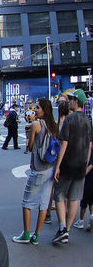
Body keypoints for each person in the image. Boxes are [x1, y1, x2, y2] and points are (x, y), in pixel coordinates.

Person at [12, 99, 58, 244]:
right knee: (44, 204)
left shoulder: (36, 124)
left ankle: (26, 233)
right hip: (50, 168)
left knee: (27, 202)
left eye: (37, 108)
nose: (35, 110)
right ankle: (36, 235)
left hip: (37, 168)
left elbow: (31, 146)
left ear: (44, 109)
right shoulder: (54, 125)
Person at [52, 89, 93, 244]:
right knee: (75, 197)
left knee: (59, 195)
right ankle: (67, 230)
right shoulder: (88, 121)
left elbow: (64, 144)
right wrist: (86, 163)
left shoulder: (69, 119)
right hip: (81, 164)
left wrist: (58, 165)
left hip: (68, 162)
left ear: (77, 101)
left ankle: (62, 226)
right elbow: (89, 145)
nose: (69, 101)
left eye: (71, 99)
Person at [46, 100, 71, 225]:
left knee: (53, 187)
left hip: (56, 158)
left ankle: (48, 213)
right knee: (65, 188)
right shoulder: (69, 123)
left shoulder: (56, 124)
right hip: (67, 158)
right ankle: (65, 212)